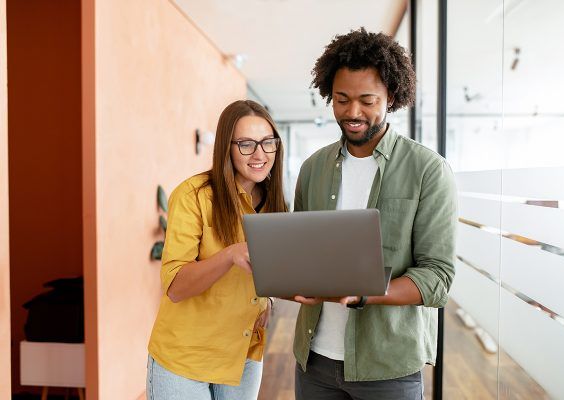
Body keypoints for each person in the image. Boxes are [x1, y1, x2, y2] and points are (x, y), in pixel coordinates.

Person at [292, 28, 457, 400]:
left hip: (388, 367)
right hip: (314, 361)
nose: (353, 112)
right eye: (341, 99)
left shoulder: (427, 170)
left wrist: (367, 292)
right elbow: (301, 255)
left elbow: (438, 279)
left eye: (367, 100)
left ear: (391, 97)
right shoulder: (312, 168)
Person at [147, 100, 287, 400]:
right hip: (186, 360)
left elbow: (273, 267)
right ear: (227, 146)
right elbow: (175, 286)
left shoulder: (275, 203)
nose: (260, 154)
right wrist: (228, 255)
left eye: (267, 143)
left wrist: (269, 300)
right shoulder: (192, 196)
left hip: (243, 355)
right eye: (247, 144)